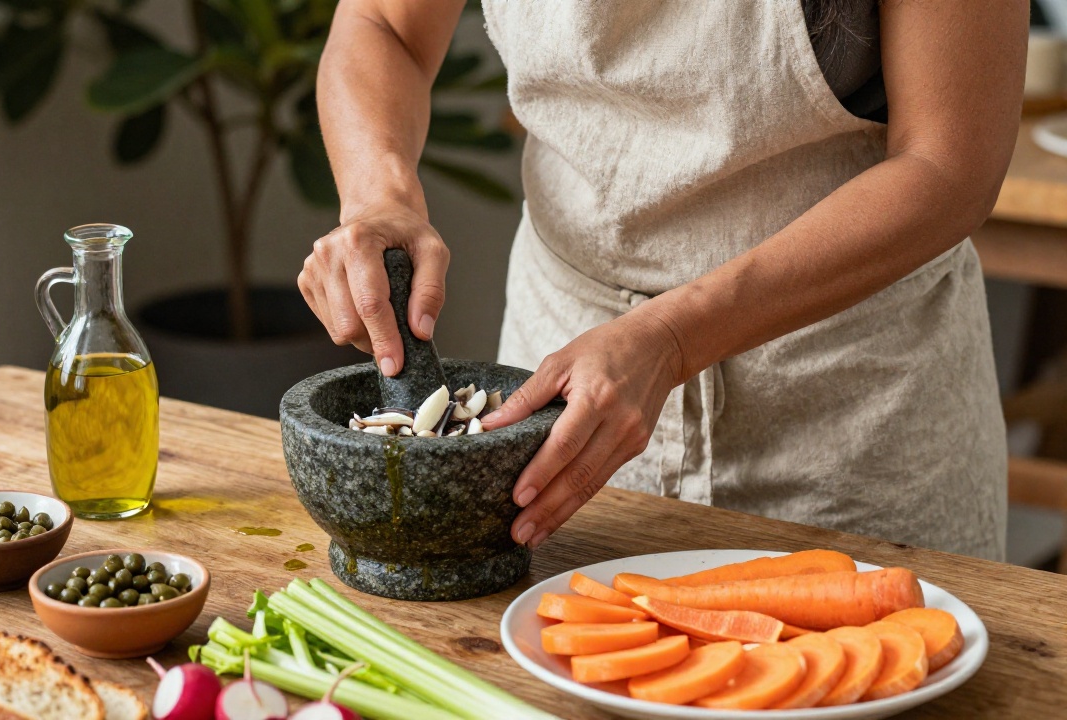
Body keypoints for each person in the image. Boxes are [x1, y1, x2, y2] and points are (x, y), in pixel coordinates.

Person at [297, 0, 1025, 560]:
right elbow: (382, 24)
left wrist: (674, 335)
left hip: (851, 412)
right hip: (562, 394)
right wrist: (379, 195)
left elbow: (949, 164)